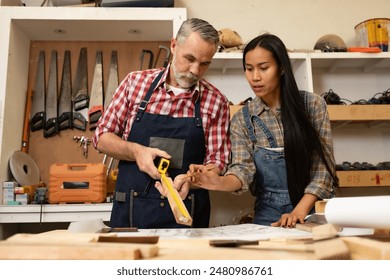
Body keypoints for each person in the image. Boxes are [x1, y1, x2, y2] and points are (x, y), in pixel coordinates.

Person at [182, 33, 339, 228]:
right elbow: (242, 170)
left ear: (281, 67)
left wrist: (298, 212)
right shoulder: (243, 119)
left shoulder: (313, 105)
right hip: (269, 213)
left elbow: (323, 171)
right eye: (249, 69)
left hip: (315, 209)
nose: (255, 77)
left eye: (264, 68)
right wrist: (216, 182)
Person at [92, 18, 231, 229]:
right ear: (174, 45)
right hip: (131, 213)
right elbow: (101, 137)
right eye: (189, 58)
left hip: (189, 214)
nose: (195, 70)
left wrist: (195, 179)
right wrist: (136, 151)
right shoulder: (135, 84)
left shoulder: (216, 101)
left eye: (204, 63)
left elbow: (217, 161)